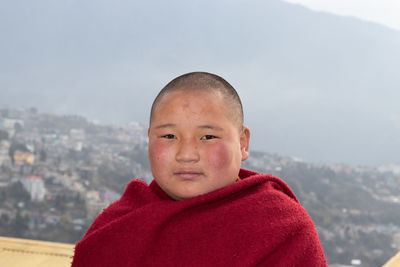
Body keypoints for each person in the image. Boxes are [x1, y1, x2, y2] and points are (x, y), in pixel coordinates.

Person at [72, 72, 328, 266]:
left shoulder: (281, 228)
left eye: (207, 137)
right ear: (149, 138)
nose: (186, 155)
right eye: (169, 136)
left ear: (243, 142)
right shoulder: (117, 229)